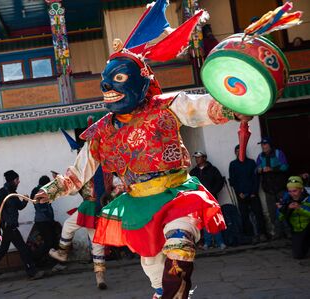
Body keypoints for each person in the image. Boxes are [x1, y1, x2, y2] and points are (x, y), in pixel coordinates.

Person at [35, 2, 252, 297]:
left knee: (179, 246)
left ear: (139, 82)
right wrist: (51, 191)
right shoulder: (101, 131)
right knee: (152, 268)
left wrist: (232, 108)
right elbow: (80, 170)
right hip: (138, 203)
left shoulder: (166, 107)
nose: (107, 85)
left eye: (119, 79)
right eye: (106, 81)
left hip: (176, 195)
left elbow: (200, 107)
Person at [48, 166, 113, 290]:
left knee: (68, 225)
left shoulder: (83, 169)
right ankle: (100, 277)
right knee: (97, 244)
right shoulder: (106, 169)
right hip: (102, 208)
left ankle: (62, 252)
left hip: (89, 206)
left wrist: (59, 181)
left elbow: (71, 189)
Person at [0, 170, 44, 281]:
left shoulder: (12, 192)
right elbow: (0, 209)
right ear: (11, 180)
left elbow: (19, 206)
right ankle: (32, 272)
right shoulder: (4, 192)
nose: (18, 181)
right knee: (23, 249)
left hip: (9, 226)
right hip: (9, 226)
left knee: (3, 250)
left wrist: (24, 201)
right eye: (17, 179)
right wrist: (4, 223)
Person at [229, 145, 267, 243]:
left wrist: (254, 192)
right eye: (237, 151)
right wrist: (239, 192)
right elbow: (233, 181)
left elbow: (256, 178)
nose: (239, 153)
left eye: (240, 151)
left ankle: (262, 234)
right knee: (245, 216)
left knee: (258, 214)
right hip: (241, 194)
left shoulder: (251, 162)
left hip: (253, 193)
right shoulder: (233, 164)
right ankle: (250, 236)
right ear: (235, 153)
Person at [190, 151, 226, 250]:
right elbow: (189, 185)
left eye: (199, 157)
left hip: (211, 200)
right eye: (196, 158)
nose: (197, 159)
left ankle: (220, 242)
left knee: (215, 220)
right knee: (205, 222)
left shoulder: (213, 170)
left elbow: (219, 182)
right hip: (199, 201)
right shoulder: (193, 172)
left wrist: (212, 193)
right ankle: (207, 242)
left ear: (204, 158)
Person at [256, 137, 290, 239]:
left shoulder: (278, 153)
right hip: (268, 189)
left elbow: (285, 167)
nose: (263, 146)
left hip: (280, 187)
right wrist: (260, 170)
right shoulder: (260, 156)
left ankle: (288, 232)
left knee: (284, 210)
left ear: (270, 145)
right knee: (272, 212)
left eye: (265, 144)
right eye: (262, 145)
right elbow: (256, 170)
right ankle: (277, 233)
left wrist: (272, 169)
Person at [277, 176, 310, 259]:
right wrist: (285, 209)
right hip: (297, 230)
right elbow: (280, 218)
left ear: (301, 190)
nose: (292, 194)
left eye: (295, 191)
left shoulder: (308, 198)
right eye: (289, 191)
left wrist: (299, 209)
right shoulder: (285, 200)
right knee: (298, 255)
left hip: (308, 227)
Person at [29, 175, 57, 264]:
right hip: (44, 220)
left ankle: (47, 260)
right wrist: (50, 219)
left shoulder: (35, 191)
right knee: (49, 242)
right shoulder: (41, 192)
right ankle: (35, 258)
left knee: (49, 241)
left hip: (40, 220)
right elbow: (44, 208)